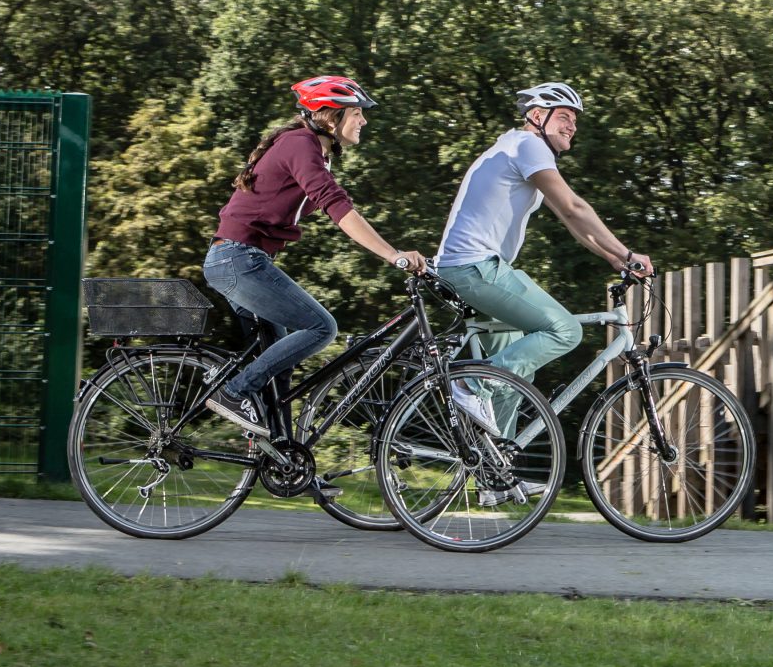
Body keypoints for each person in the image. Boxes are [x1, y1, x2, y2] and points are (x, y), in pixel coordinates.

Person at [202, 75, 428, 436]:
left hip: (242, 260)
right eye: (356, 113)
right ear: (328, 116)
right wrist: (393, 255)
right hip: (238, 260)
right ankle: (234, 393)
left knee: (280, 364)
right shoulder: (299, 144)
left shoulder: (313, 150)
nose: (364, 121)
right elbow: (337, 207)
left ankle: (285, 460)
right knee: (321, 327)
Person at [433, 80, 653, 433]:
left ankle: (495, 474)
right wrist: (627, 252)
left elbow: (569, 219)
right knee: (564, 330)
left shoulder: (515, 148)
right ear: (536, 116)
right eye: (564, 116)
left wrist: (612, 257)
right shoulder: (528, 145)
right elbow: (574, 205)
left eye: (575, 121)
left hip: (468, 268)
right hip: (476, 267)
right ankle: (469, 385)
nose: (572, 126)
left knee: (518, 368)